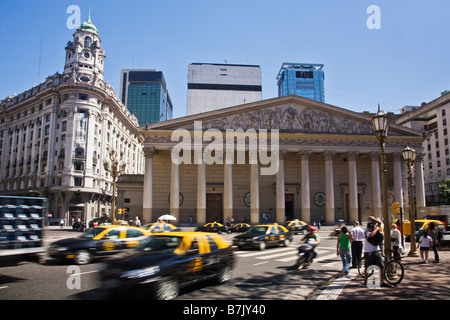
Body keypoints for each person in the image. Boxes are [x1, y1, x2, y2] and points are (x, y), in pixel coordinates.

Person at [364, 221, 389, 287]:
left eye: (372, 227)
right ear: (367, 228)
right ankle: (366, 279)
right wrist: (377, 228)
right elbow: (371, 235)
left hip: (376, 251)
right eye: (370, 228)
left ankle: (381, 282)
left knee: (381, 266)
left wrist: (378, 224)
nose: (371, 229)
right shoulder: (366, 232)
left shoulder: (375, 230)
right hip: (368, 252)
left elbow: (380, 225)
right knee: (367, 267)